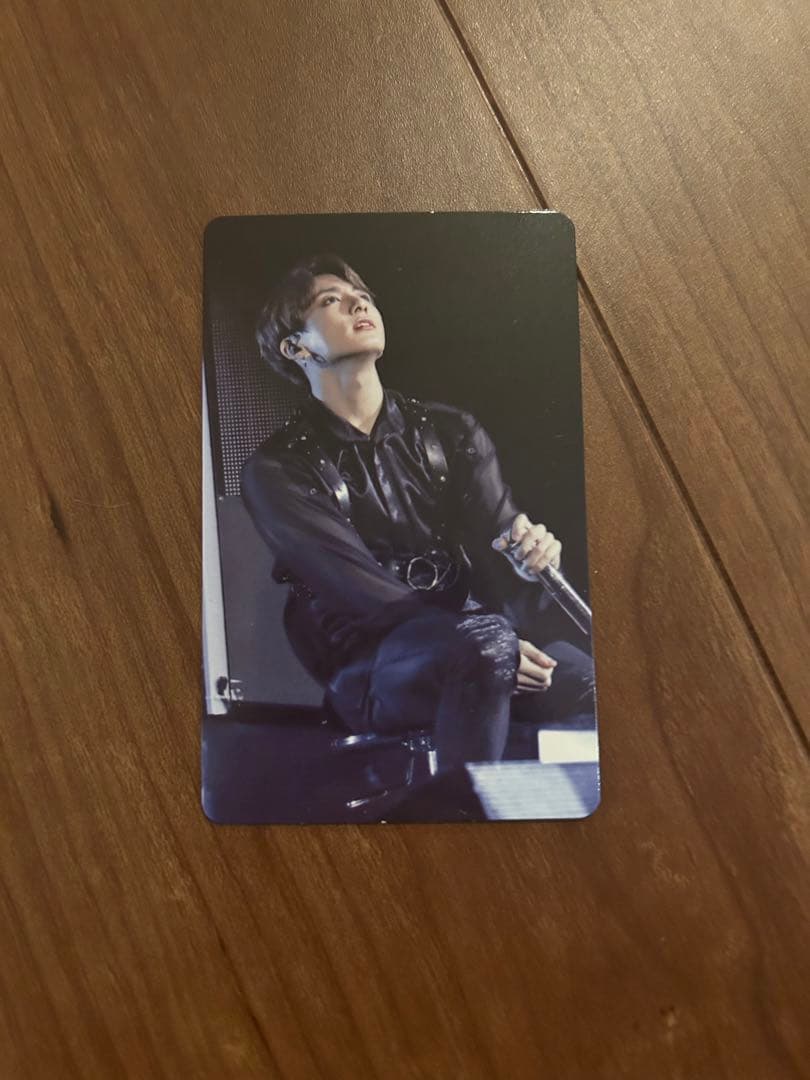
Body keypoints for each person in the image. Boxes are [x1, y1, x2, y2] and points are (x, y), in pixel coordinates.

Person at [240, 254, 595, 769]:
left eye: (362, 296)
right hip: (371, 672)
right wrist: (486, 645)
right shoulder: (278, 469)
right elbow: (362, 594)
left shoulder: (451, 431)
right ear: (296, 348)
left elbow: (503, 531)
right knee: (490, 645)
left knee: (592, 680)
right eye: (330, 301)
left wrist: (531, 554)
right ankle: (461, 810)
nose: (358, 304)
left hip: (478, 643)